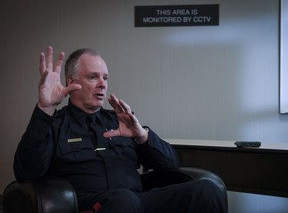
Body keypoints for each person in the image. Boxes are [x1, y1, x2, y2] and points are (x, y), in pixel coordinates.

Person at [14, 46, 227, 213]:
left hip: (139, 200)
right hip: (91, 205)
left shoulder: (121, 119)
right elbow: (26, 172)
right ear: (71, 81)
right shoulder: (54, 124)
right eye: (93, 77)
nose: (102, 84)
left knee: (207, 191)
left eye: (105, 78)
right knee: (124, 200)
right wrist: (46, 108)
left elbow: (170, 164)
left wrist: (142, 136)